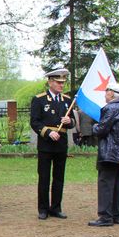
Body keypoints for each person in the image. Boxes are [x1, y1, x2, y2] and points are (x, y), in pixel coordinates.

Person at [30, 67, 75, 220]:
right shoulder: (39, 100)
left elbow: (72, 123)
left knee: (59, 178)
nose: (61, 85)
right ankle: (43, 209)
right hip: (46, 145)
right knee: (44, 177)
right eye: (58, 82)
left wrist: (70, 121)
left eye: (63, 83)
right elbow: (34, 122)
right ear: (50, 82)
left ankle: (56, 207)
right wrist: (48, 133)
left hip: (61, 145)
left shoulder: (67, 100)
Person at [88, 82, 119, 227]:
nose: (105, 93)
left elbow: (101, 129)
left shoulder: (110, 108)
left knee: (105, 184)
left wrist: (93, 126)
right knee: (116, 184)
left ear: (112, 93)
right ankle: (116, 214)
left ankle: (105, 216)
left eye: (106, 91)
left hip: (109, 152)